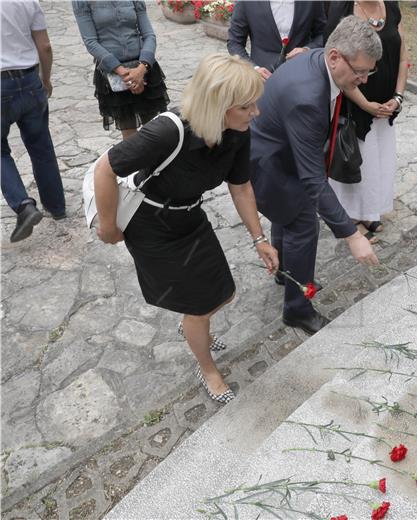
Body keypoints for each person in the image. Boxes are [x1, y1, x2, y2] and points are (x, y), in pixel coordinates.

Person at [92, 54, 279, 404]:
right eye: (247, 106)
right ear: (220, 105)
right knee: (199, 305)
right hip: (152, 227)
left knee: (223, 291)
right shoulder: (168, 131)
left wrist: (259, 239)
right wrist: (108, 227)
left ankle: (193, 326)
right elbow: (105, 168)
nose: (256, 113)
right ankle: (206, 366)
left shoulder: (236, 133)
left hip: (189, 216)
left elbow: (240, 187)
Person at [249, 15, 381, 335]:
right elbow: (312, 180)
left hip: (277, 154)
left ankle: (286, 271)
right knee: (304, 224)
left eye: (368, 71)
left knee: (288, 219)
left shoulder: (319, 56)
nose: (363, 80)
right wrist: (352, 235)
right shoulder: (307, 98)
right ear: (335, 56)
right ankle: (297, 309)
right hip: (271, 165)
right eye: (360, 71)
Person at [324, 1, 409, 240]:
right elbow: (335, 64)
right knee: (356, 161)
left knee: (378, 162)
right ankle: (350, 215)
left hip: (386, 107)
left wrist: (398, 97)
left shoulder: (392, 7)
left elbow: (403, 57)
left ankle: (370, 210)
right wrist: (364, 103)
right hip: (355, 108)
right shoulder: (342, 8)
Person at [1, 0, 66, 242]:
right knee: (41, 146)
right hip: (29, 80)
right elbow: (45, 46)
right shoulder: (29, 1)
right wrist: (45, 80)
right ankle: (57, 206)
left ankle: (23, 205)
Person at [73, 1, 169, 140]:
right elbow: (90, 42)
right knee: (130, 139)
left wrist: (141, 69)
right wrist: (123, 72)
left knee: (156, 133)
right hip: (114, 74)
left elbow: (149, 35)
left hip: (144, 68)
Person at [227, 0, 327, 81]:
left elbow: (323, 34)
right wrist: (253, 68)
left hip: (301, 76)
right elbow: (234, 42)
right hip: (261, 80)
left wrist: (307, 49)